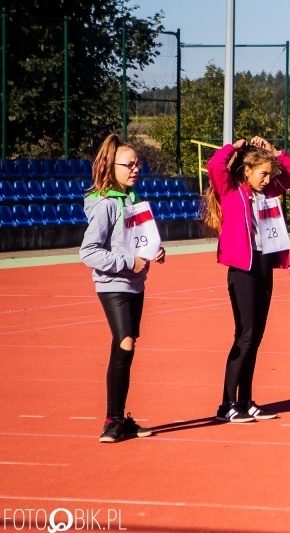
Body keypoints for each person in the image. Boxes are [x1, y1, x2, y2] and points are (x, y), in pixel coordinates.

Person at [204, 136, 290, 423]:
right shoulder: (231, 190)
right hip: (242, 270)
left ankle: (245, 400)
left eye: (269, 173)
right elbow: (214, 166)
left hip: (263, 265)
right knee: (245, 336)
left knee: (256, 337)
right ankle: (226, 404)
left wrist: (274, 152)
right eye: (262, 173)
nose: (267, 178)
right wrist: (233, 148)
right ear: (247, 171)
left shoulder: (269, 192)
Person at [79, 133, 166, 443]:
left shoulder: (132, 200)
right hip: (113, 283)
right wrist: (129, 261)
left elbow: (141, 240)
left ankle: (120, 417)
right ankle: (112, 422)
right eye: (129, 164)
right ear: (110, 166)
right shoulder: (105, 206)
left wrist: (155, 251)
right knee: (125, 341)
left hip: (136, 285)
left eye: (138, 164)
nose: (135, 169)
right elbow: (88, 252)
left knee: (125, 346)